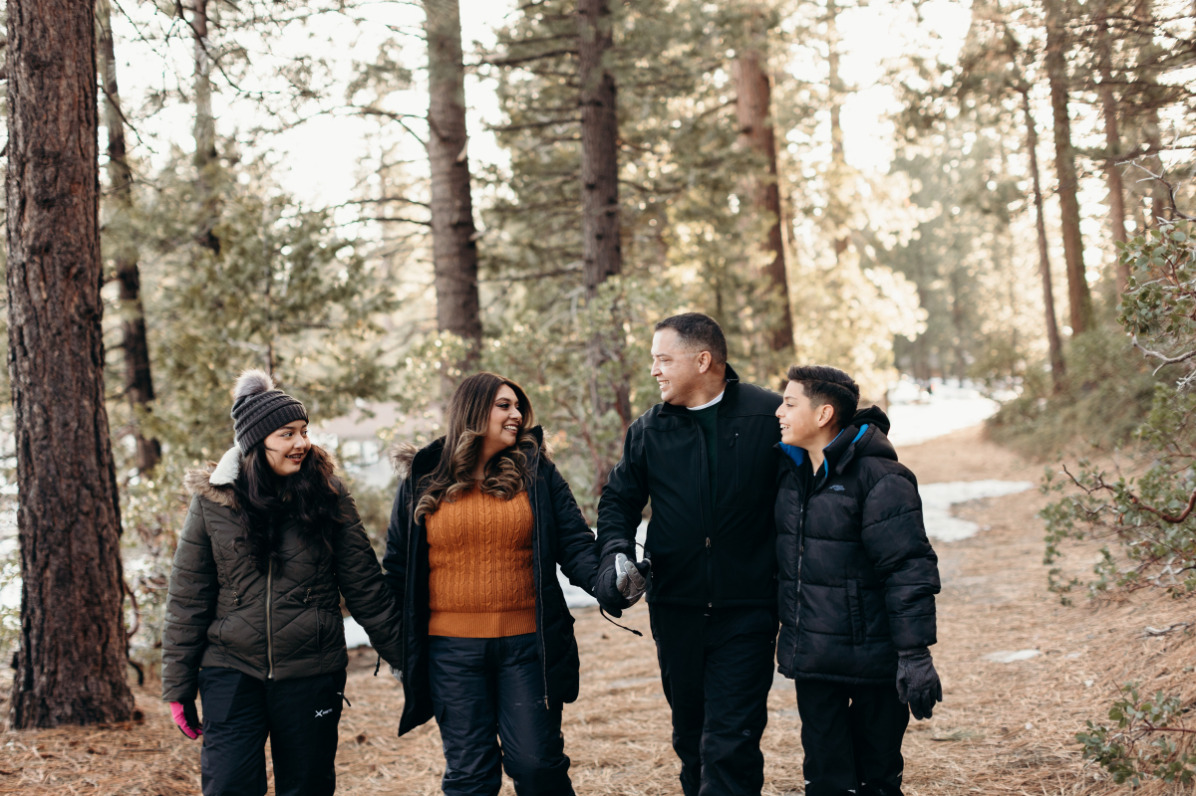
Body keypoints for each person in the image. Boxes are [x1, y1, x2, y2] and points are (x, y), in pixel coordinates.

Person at [161, 369, 406, 796]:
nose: (301, 443)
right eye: (287, 434)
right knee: (229, 786)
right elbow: (188, 596)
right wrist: (178, 685)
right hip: (230, 671)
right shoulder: (213, 501)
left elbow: (364, 584)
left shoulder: (328, 494)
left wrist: (406, 658)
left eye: (304, 431)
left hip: (311, 670)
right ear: (256, 442)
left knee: (307, 787)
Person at [383, 372, 599, 796]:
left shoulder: (537, 473)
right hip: (450, 652)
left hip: (527, 648)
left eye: (518, 406)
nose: (517, 414)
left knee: (537, 767)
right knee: (471, 777)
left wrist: (611, 582)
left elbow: (576, 545)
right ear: (474, 411)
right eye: (505, 405)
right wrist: (396, 645)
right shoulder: (423, 477)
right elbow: (396, 568)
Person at [594, 312, 781, 796]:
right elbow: (617, 501)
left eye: (663, 359)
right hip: (676, 609)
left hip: (749, 609)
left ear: (702, 360)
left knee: (731, 743)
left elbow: (818, 472)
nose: (654, 370)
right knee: (691, 738)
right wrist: (616, 552)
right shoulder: (649, 430)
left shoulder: (768, 416)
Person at [773, 365, 942, 796]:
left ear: (824, 413)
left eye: (790, 403)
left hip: (875, 663)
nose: (779, 412)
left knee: (877, 781)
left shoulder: (882, 479)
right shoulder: (790, 476)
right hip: (814, 659)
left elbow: (908, 567)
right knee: (826, 781)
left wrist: (914, 653)